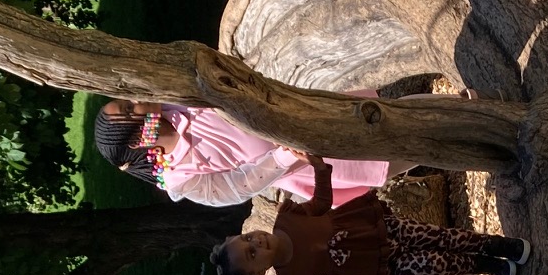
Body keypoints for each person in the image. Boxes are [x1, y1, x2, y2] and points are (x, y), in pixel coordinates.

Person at [210, 159, 531, 275]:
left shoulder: (288, 217)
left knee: (441, 238)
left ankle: (496, 245)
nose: (256, 243)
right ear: (258, 273)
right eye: (251, 255)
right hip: (375, 265)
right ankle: (484, 265)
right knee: (436, 264)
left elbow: (321, 202)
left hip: (377, 230)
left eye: (248, 238)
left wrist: (320, 169)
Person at [94, 99, 390, 207]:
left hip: (313, 110)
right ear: (137, 141)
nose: (136, 98)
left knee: (389, 114)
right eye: (130, 108)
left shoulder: (174, 101)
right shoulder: (181, 177)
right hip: (313, 158)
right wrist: (283, 156)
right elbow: (238, 187)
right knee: (394, 147)